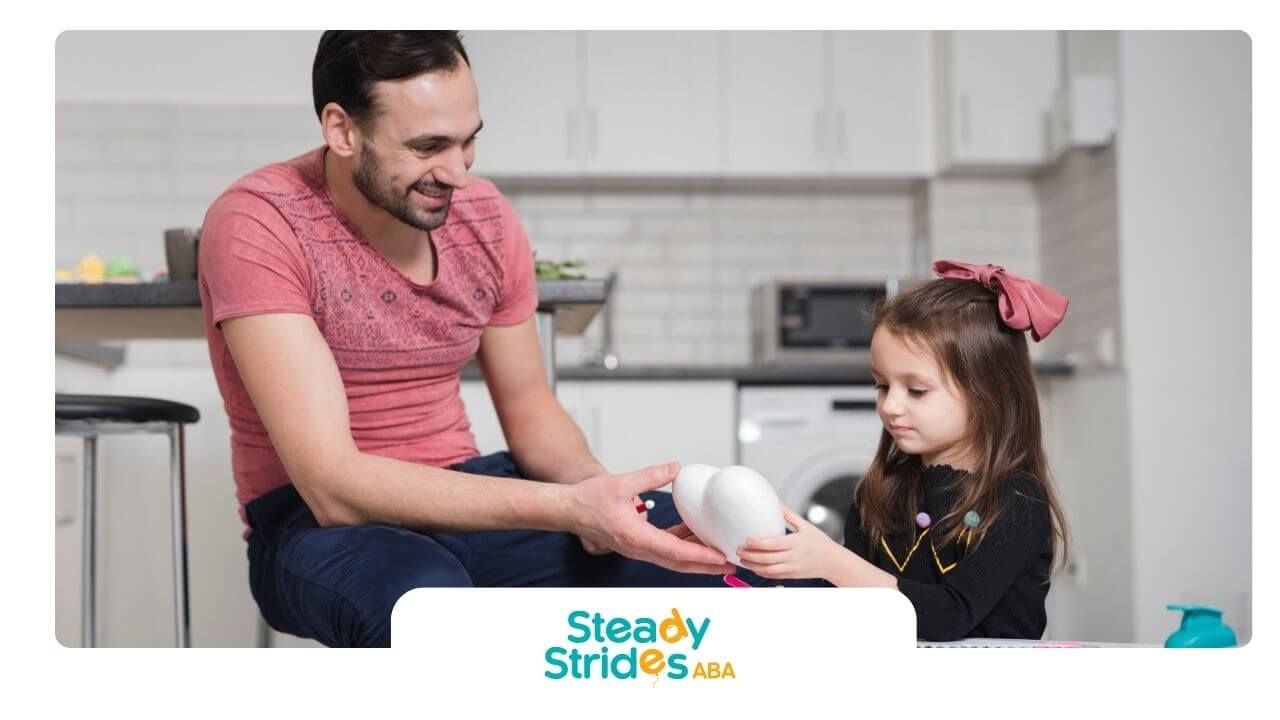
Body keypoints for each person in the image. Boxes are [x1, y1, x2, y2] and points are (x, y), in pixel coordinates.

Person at [197, 30, 758, 649]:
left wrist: (599, 500)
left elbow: (531, 410)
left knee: (721, 561)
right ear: (342, 129)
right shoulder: (261, 222)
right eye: (428, 146)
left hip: (470, 491)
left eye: (469, 142)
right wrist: (569, 509)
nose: (458, 174)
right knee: (428, 606)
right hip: (313, 523)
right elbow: (333, 488)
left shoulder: (486, 218)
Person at [736, 260, 1072, 641]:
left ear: (989, 395)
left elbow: (949, 615)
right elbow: (851, 606)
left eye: (916, 390)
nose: (890, 406)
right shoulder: (879, 493)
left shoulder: (1016, 501)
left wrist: (831, 560)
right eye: (882, 386)